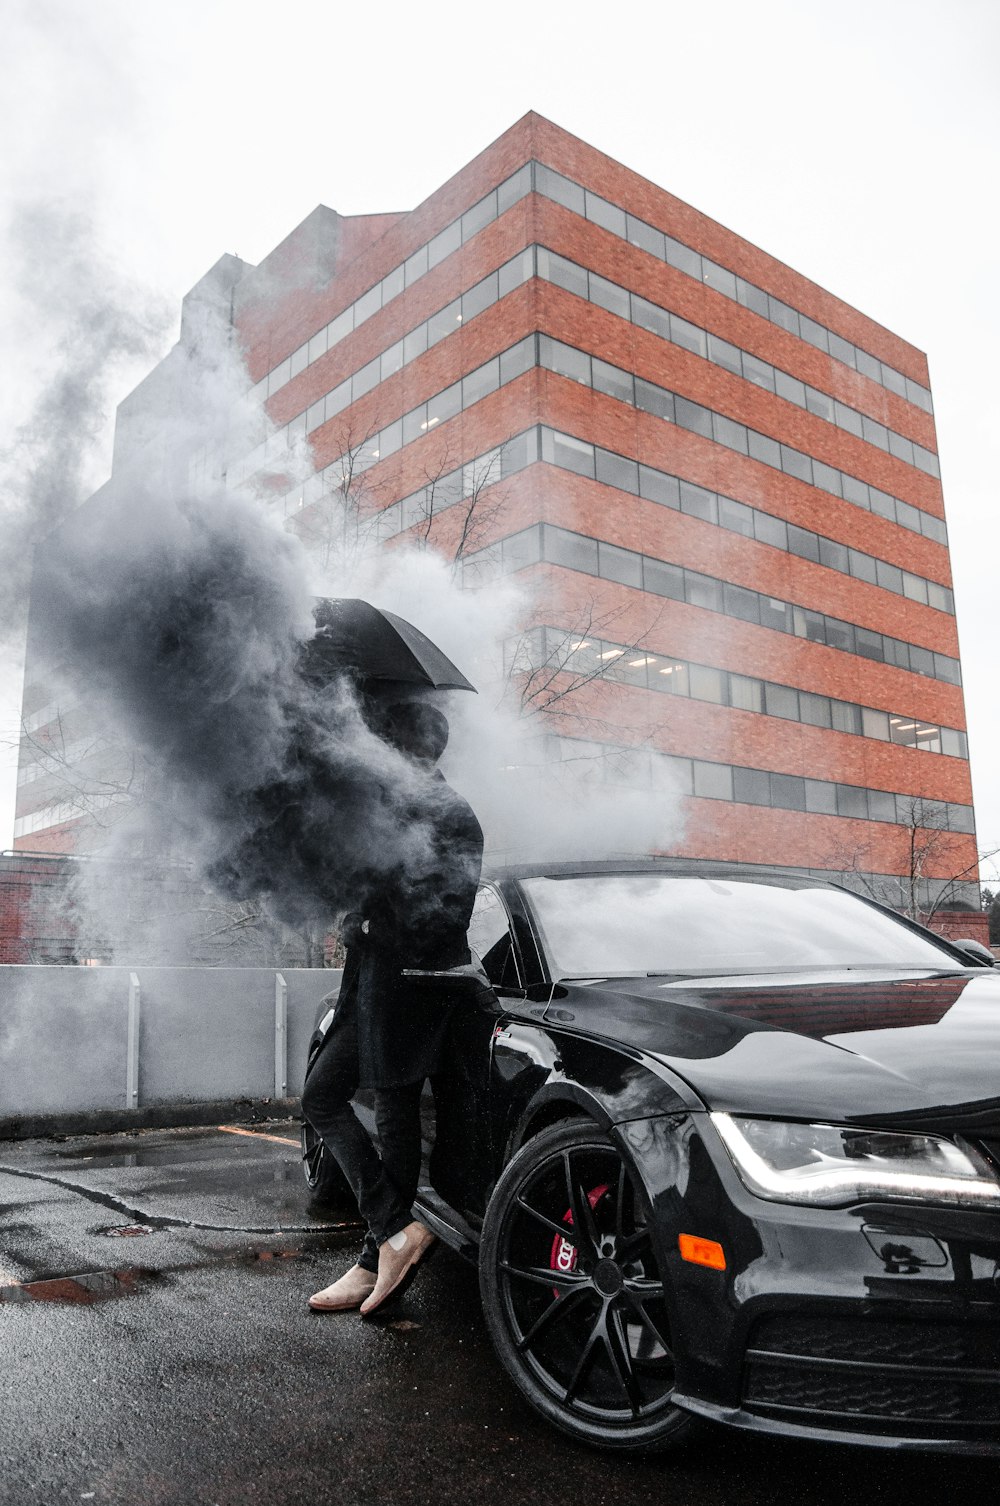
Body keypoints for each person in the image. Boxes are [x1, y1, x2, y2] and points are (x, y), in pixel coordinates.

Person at [302, 700, 484, 1317]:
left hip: (411, 989)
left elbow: (442, 922)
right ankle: (390, 1234)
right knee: (321, 1096)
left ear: (410, 750)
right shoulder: (389, 808)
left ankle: (377, 1250)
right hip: (367, 988)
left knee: (395, 1112)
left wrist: (369, 924)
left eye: (382, 742)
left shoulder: (452, 816)